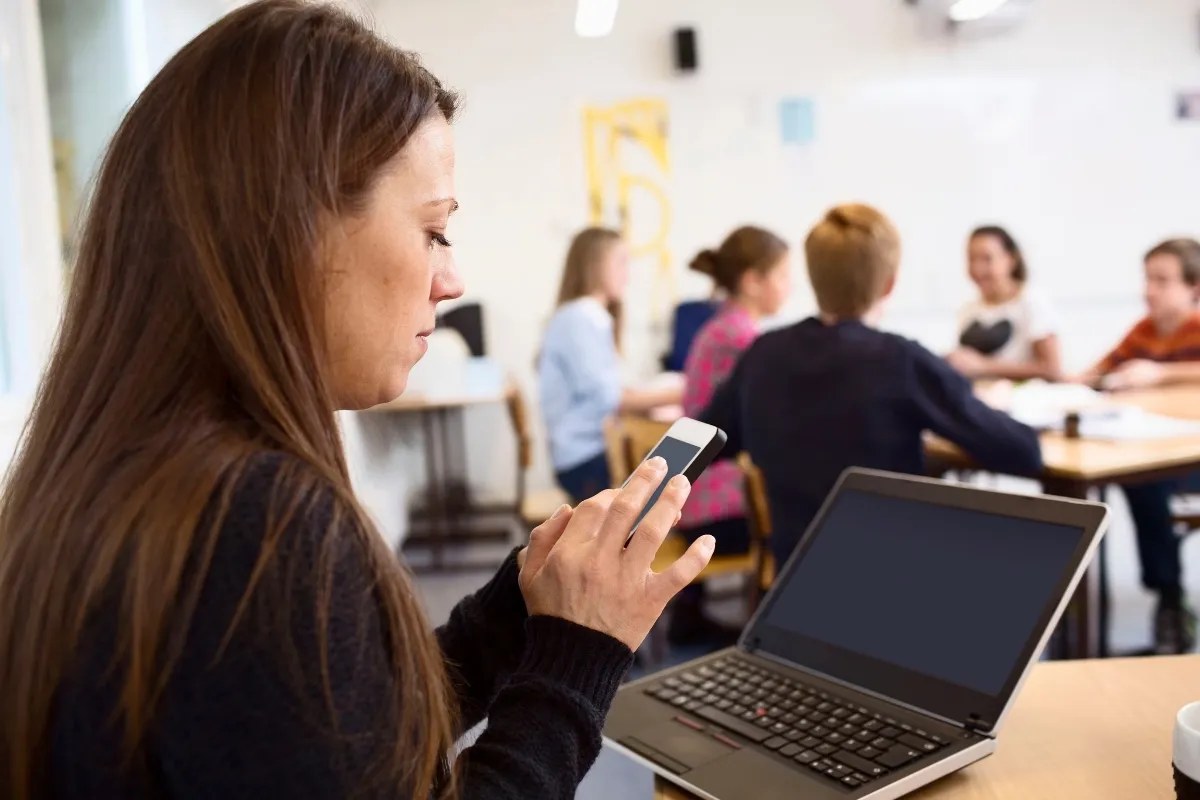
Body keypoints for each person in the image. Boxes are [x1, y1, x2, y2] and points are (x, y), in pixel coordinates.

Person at [0, 3, 716, 798]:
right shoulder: (257, 527)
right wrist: (575, 657)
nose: (452, 280)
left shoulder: (131, 478)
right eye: (434, 231)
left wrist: (513, 612)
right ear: (294, 228)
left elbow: (330, 741)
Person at [701, 204, 1043, 568]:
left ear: (814, 278)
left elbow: (706, 441)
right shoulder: (900, 361)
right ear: (890, 283)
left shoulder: (764, 353)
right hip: (889, 580)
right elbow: (1021, 451)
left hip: (793, 581)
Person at [1075, 237, 1200, 654]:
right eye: (1148, 279)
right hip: (1150, 453)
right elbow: (1096, 371)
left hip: (1188, 458)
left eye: (1163, 281)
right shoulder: (1144, 331)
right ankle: (1164, 597)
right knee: (1137, 479)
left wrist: (1160, 374)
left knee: (1146, 482)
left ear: (1193, 287)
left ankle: (1168, 599)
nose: (1150, 290)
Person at [670, 226, 790, 645]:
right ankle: (772, 635)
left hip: (696, 501)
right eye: (783, 275)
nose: (789, 286)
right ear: (753, 281)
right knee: (801, 514)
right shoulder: (742, 337)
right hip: (717, 512)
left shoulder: (720, 328)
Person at [538, 228, 683, 503]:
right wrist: (685, 392)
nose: (628, 274)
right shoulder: (581, 318)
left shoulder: (584, 316)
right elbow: (612, 399)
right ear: (594, 265)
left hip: (589, 452)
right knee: (677, 477)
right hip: (586, 459)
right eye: (621, 262)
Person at [947, 225, 1062, 381]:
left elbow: (1052, 369)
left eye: (987, 259)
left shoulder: (1031, 302)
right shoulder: (968, 309)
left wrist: (984, 366)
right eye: (971, 259)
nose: (977, 268)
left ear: (1010, 259)